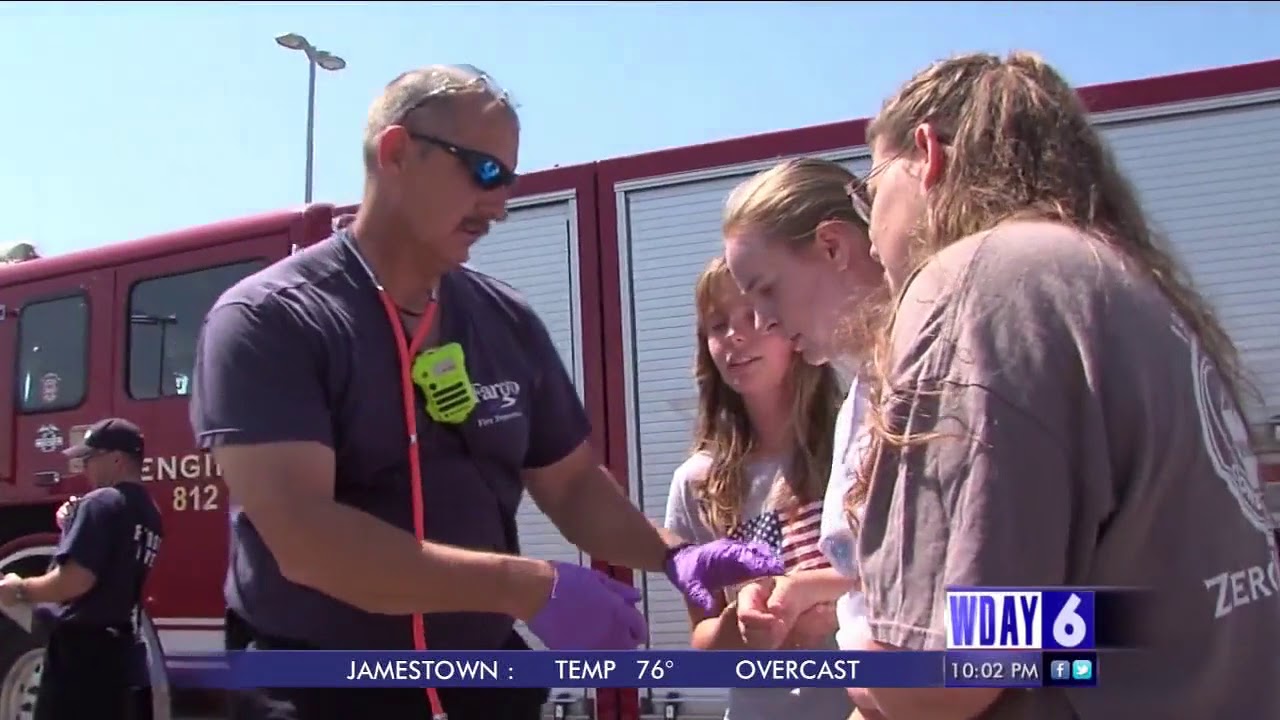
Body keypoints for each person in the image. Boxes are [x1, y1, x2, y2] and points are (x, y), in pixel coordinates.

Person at [189, 64, 781, 720]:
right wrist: (526, 587)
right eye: (484, 171)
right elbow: (306, 537)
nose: (500, 204)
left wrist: (676, 554)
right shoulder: (270, 320)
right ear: (396, 152)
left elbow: (571, 485)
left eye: (510, 181)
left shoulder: (505, 320)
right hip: (319, 689)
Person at [834, 50, 1280, 719]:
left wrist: (852, 640)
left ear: (927, 154)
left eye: (870, 192)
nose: (870, 234)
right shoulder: (1119, 281)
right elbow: (1126, 612)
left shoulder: (977, 284)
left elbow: (943, 678)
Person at [718, 157, 887, 719]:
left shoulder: (940, 383)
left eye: (767, 290)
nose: (763, 321)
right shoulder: (866, 397)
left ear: (833, 247)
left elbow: (1005, 615)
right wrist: (813, 587)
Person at [664, 255, 853, 719]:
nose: (734, 336)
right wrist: (744, 626)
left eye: (752, 315)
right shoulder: (696, 483)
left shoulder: (860, 444)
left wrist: (824, 597)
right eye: (717, 324)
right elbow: (704, 642)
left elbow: (913, 589)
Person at [0, 417, 164, 720]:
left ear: (116, 459)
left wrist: (20, 589)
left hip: (81, 656)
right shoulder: (149, 513)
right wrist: (73, 524)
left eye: (89, 458)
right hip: (120, 653)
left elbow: (76, 580)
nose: (83, 467)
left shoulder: (101, 502)